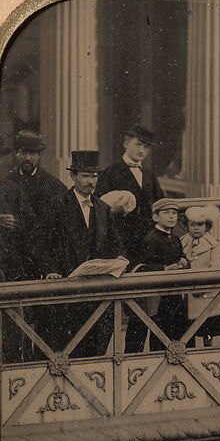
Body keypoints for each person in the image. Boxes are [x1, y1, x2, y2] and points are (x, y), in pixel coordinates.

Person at [40, 150, 128, 357]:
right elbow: (45, 245)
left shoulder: (103, 208)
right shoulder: (56, 205)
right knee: (69, 349)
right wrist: (50, 271)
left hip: (97, 291)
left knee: (97, 349)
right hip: (68, 290)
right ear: (73, 176)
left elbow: (115, 244)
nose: (91, 181)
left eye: (94, 176)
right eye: (85, 176)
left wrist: (121, 260)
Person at [0, 128, 67, 280]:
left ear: (39, 156)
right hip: (15, 259)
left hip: (45, 258)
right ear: (16, 154)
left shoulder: (54, 186)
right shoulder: (4, 184)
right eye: (23, 153)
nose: (28, 158)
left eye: (33, 153)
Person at [96, 123, 166, 263]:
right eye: (138, 145)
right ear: (126, 144)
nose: (142, 150)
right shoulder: (110, 172)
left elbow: (161, 203)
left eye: (146, 147)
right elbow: (98, 206)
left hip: (147, 239)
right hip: (120, 238)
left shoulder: (149, 175)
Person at [128, 198, 190, 348]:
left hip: (174, 293)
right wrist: (164, 269)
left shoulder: (175, 238)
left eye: (174, 213)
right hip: (157, 296)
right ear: (156, 217)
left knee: (177, 331)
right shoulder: (151, 239)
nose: (171, 216)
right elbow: (140, 267)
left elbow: (181, 257)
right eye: (166, 213)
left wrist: (184, 261)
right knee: (160, 332)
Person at [181, 205, 220, 347]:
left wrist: (204, 287)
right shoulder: (183, 242)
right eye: (192, 224)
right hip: (188, 293)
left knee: (208, 327)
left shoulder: (212, 245)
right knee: (188, 328)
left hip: (207, 294)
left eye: (200, 224)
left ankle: (207, 349)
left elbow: (216, 269)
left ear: (206, 226)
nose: (196, 228)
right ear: (187, 225)